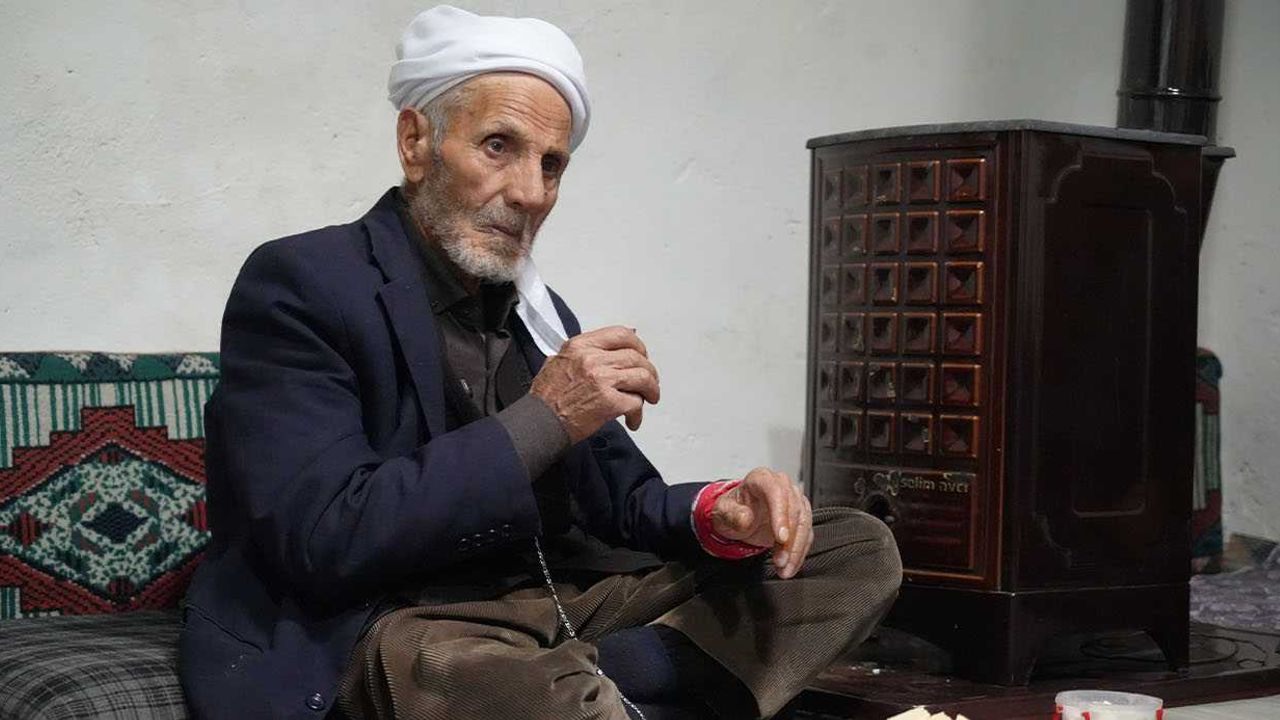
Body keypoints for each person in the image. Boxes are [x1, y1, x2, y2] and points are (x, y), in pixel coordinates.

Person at [178, 6, 901, 720]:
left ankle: (603, 684)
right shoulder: (303, 282)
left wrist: (723, 511)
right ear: (415, 142)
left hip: (554, 609)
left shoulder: (537, 312)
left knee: (854, 550)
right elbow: (326, 537)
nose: (530, 192)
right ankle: (620, 689)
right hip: (397, 622)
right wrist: (546, 416)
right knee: (510, 684)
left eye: (551, 164)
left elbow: (622, 503)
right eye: (499, 146)